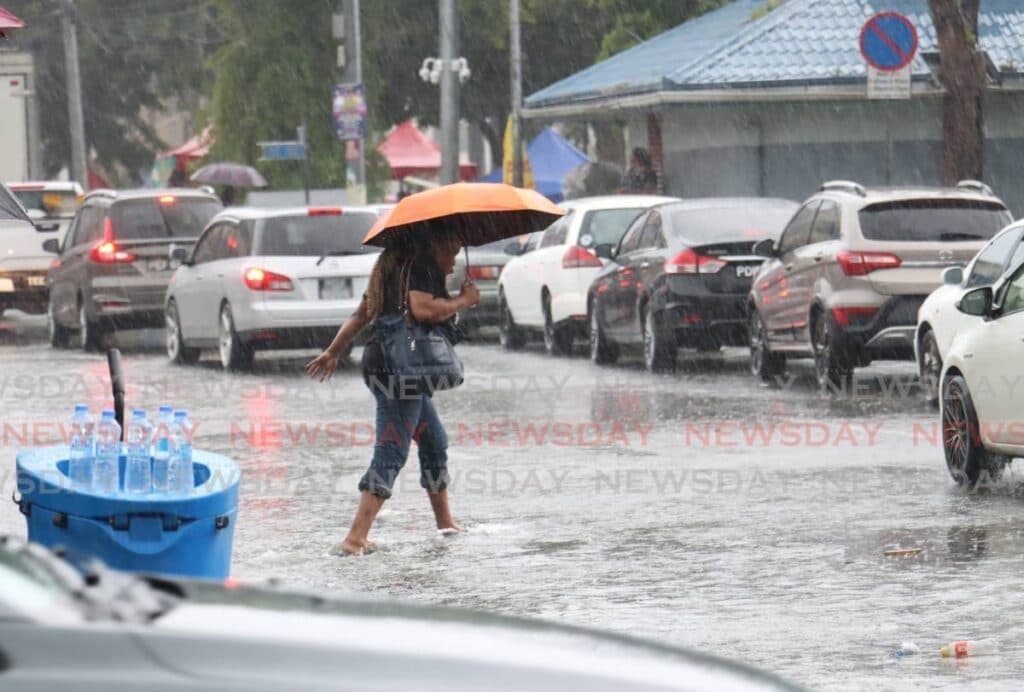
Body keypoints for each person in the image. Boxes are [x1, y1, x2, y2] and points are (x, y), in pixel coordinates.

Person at [306, 230, 481, 555]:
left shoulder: (393, 264)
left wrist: (334, 351)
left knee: (433, 442)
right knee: (391, 450)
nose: (453, 262)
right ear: (437, 243)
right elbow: (423, 309)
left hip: (386, 363)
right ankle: (355, 538)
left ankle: (445, 524)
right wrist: (462, 301)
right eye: (452, 253)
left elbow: (361, 315)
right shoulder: (421, 265)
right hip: (401, 370)